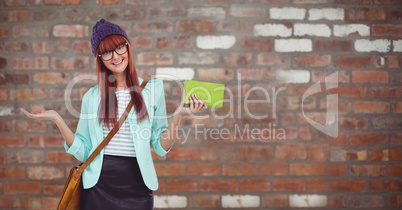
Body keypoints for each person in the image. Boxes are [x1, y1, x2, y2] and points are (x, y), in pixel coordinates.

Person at [21, 19, 207, 210]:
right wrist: (57, 119)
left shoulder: (152, 90)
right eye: (107, 52)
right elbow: (85, 151)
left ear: (128, 47)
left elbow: (160, 147)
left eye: (119, 47)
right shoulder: (91, 98)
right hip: (99, 183)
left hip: (138, 183)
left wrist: (179, 115)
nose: (115, 56)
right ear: (99, 58)